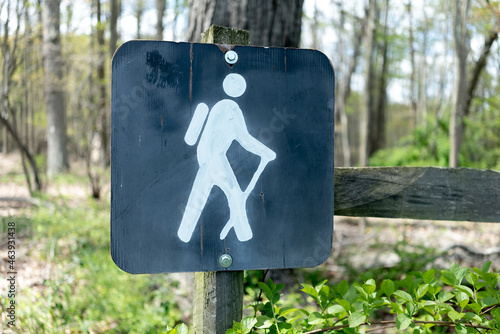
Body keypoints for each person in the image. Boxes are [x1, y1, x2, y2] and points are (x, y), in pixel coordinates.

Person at [178, 73, 276, 243]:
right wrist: (266, 152)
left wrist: (265, 152)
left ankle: (184, 235)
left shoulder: (221, 106)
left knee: (203, 195)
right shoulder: (230, 108)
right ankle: (244, 235)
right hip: (213, 158)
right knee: (234, 194)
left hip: (207, 158)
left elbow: (243, 139)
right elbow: (245, 139)